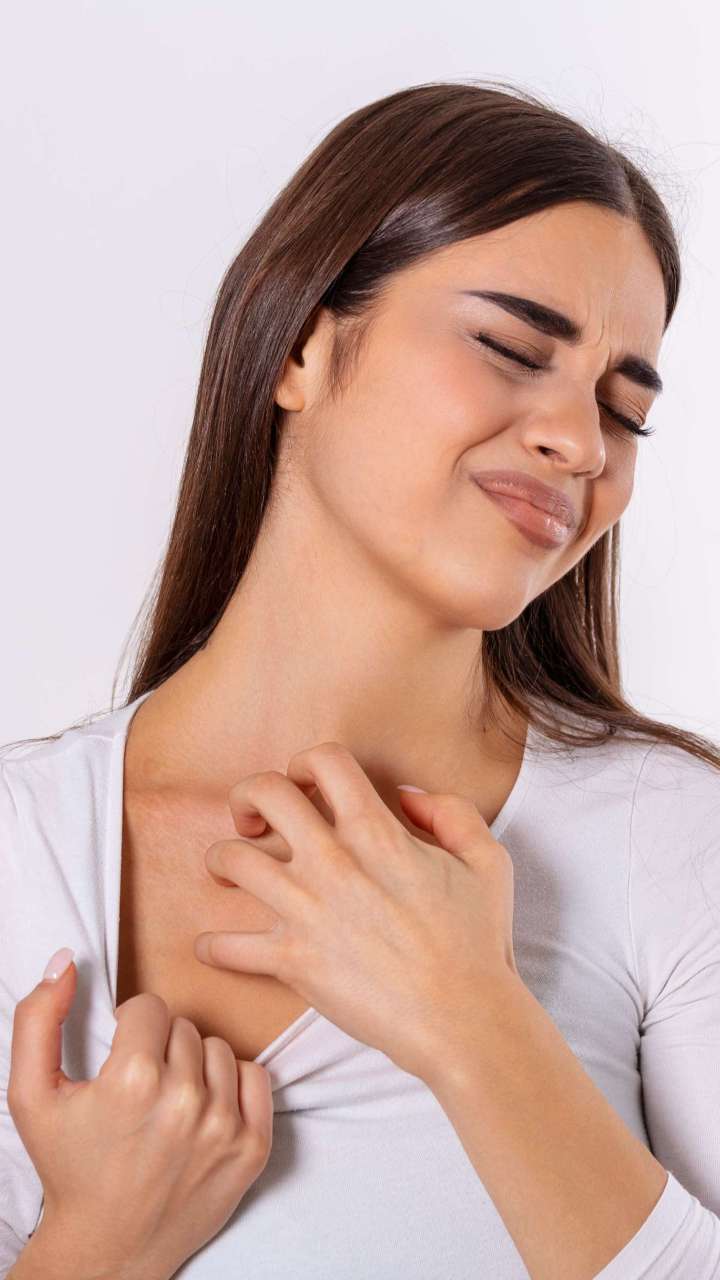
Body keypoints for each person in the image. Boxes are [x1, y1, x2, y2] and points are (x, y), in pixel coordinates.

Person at [2, 78, 720, 1279]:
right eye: (511, 348)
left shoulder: (673, 838)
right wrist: (97, 1245)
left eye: (622, 410)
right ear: (298, 343)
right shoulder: (20, 854)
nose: (580, 441)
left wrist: (471, 1018)